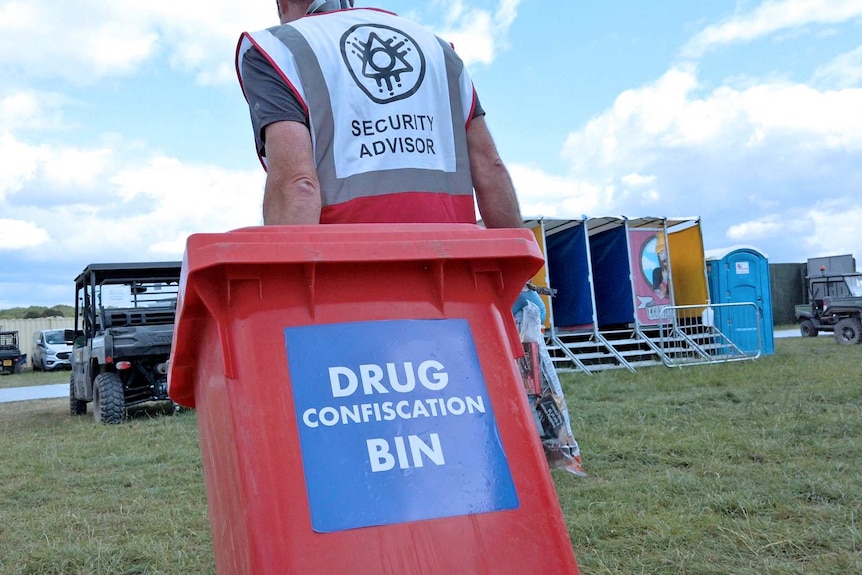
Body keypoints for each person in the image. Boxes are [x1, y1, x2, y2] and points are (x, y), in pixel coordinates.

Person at [236, 0, 523, 228]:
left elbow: (297, 186)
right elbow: (490, 167)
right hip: (453, 281)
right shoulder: (437, 50)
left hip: (342, 284)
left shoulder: (276, 50)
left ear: (282, 4)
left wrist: (285, 293)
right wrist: (518, 277)